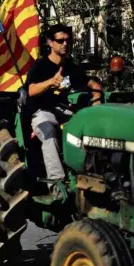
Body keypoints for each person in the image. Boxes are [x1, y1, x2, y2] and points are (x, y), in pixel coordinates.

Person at [24, 24, 102, 196]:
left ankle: (88, 179)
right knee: (49, 132)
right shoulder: (41, 65)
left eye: (68, 40)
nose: (65, 44)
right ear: (50, 43)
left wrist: (97, 97)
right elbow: (30, 90)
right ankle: (57, 186)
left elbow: (92, 84)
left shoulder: (71, 67)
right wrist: (50, 82)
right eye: (60, 40)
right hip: (41, 111)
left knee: (87, 130)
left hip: (63, 111)